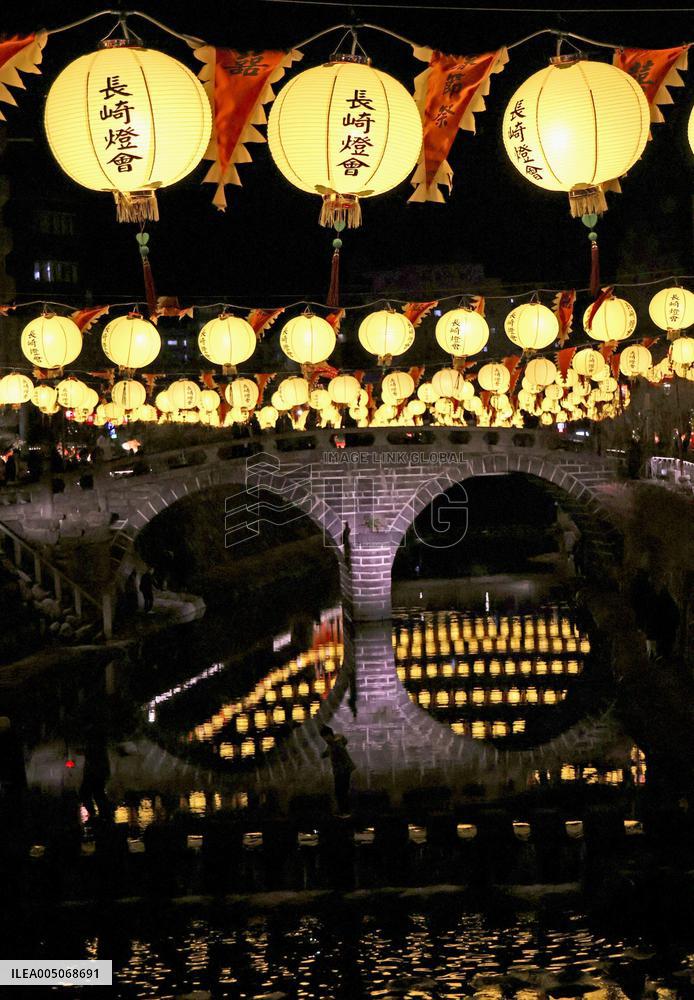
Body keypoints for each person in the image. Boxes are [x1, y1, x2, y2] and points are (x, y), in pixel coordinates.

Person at [320, 725, 355, 816]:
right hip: (342, 770)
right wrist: (324, 755)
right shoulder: (333, 743)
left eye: (325, 737)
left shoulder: (336, 745)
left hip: (342, 771)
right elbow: (329, 751)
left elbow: (342, 755)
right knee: (341, 791)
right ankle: (344, 810)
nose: (325, 739)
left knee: (340, 791)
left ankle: (344, 811)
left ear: (329, 735)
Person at [79, 731, 111, 824]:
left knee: (90, 793)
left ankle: (99, 814)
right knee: (97, 793)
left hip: (93, 773)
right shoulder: (100, 747)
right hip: (97, 773)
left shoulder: (94, 747)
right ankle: (103, 814)